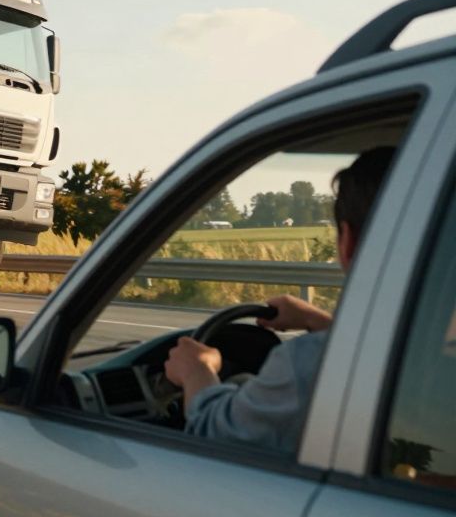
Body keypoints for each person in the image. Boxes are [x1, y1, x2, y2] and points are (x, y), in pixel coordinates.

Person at [164, 146, 396, 453]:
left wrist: (196, 372)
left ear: (348, 241)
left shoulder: (306, 364)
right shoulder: (428, 348)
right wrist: (320, 322)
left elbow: (216, 435)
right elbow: (382, 354)